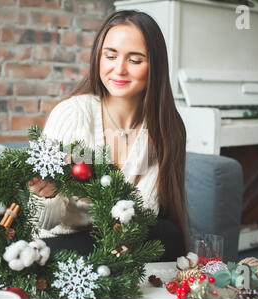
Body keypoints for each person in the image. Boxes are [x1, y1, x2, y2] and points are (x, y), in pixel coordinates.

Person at [28, 10, 188, 261]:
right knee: (52, 252)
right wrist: (48, 195)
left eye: (135, 60)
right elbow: (43, 222)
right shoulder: (72, 114)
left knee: (169, 236)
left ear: (154, 67)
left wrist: (104, 208)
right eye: (110, 56)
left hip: (126, 239)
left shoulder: (165, 128)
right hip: (61, 241)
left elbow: (146, 214)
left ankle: (110, 267)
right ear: (98, 58)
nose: (119, 69)